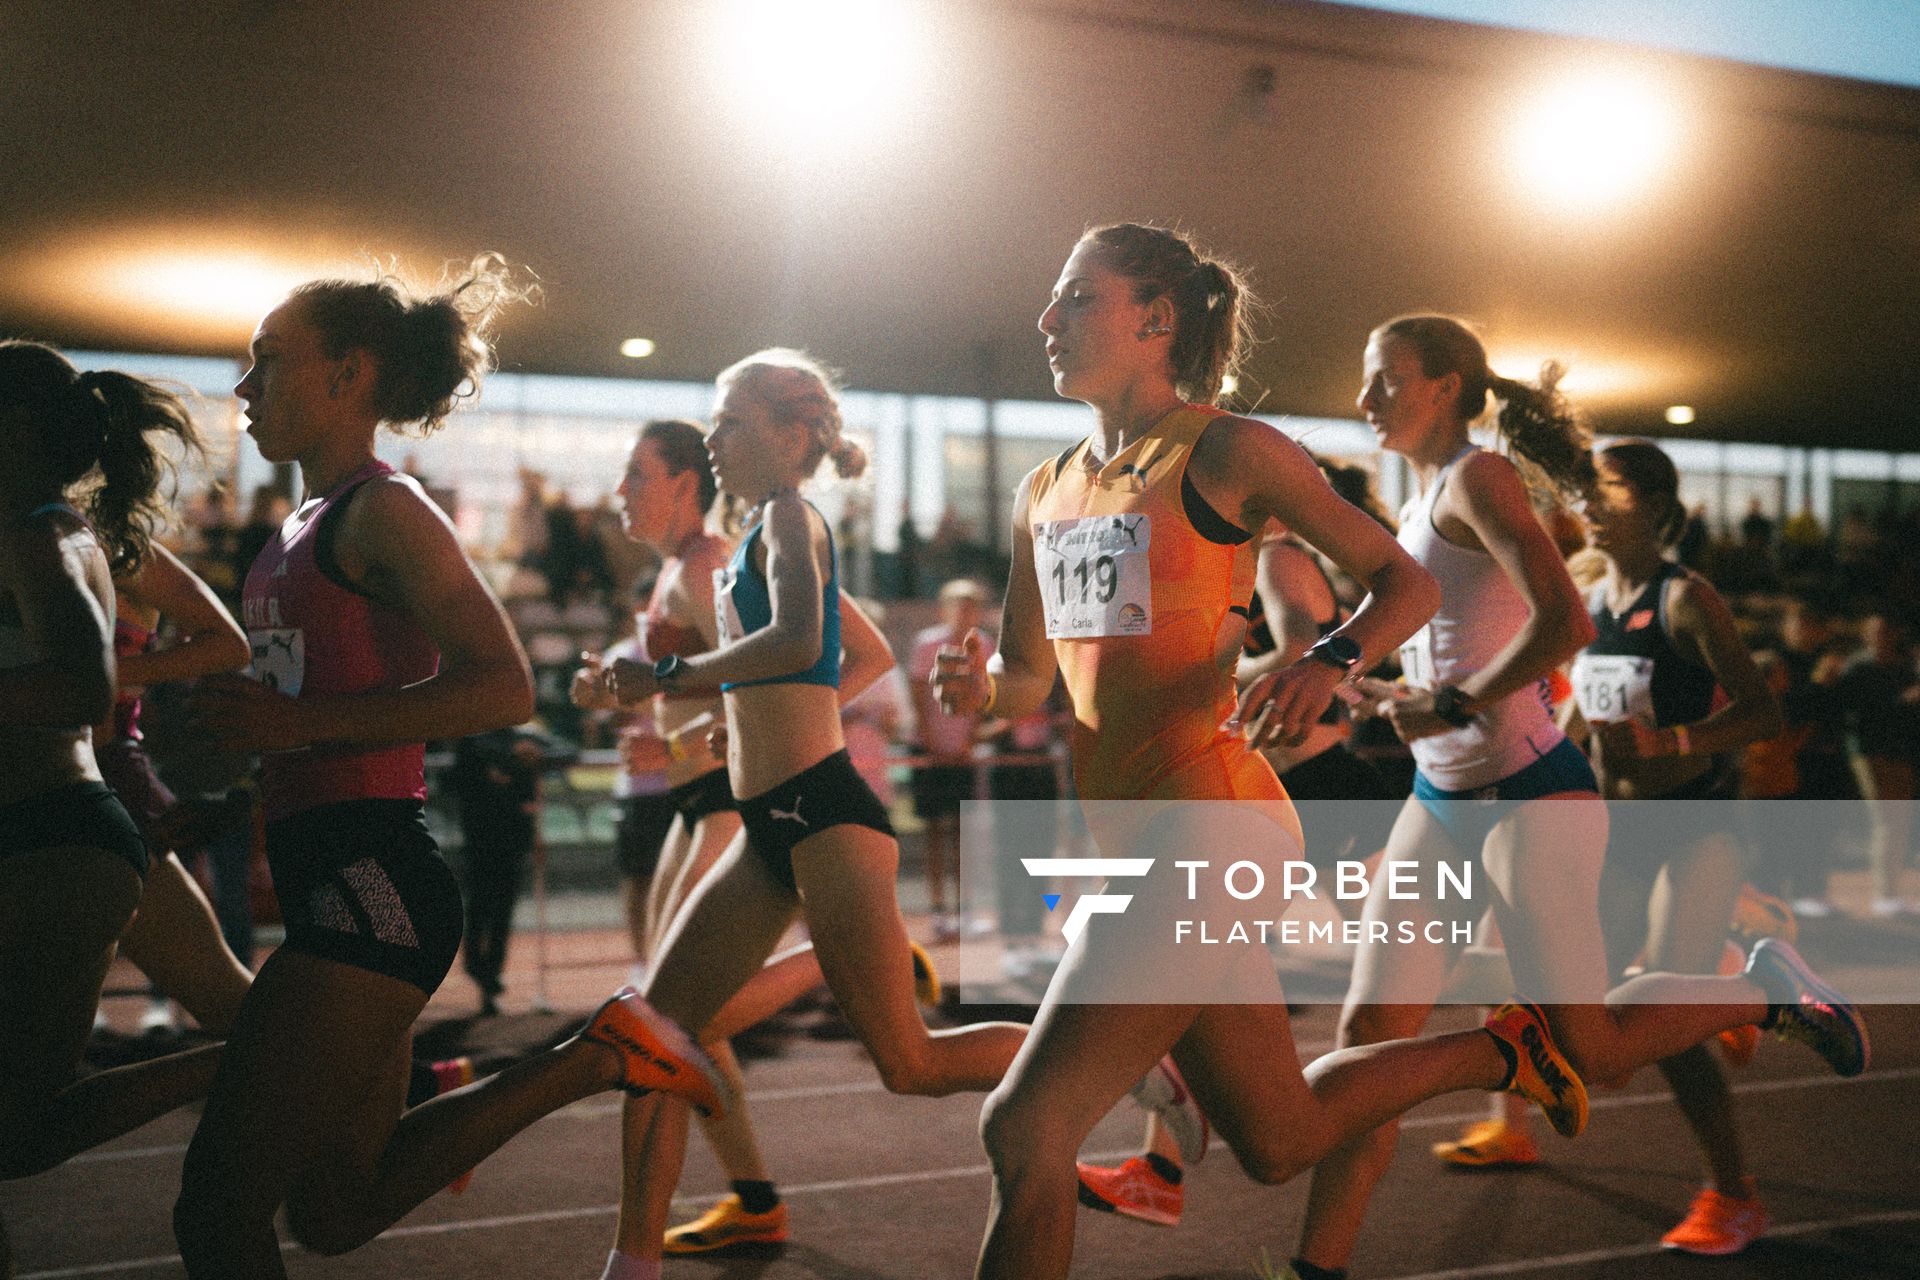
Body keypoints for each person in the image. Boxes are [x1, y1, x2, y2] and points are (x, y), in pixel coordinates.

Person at [935, 224, 1611, 1280]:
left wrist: (1329, 661)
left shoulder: (1226, 450)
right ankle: (1506, 1047)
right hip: (1129, 837)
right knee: (1279, 1137)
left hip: (1212, 825)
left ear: (1156, 319)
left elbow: (1408, 583)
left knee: (1024, 1130)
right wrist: (982, 690)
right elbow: (1030, 675)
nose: (1047, 319)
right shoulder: (1044, 489)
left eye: (1074, 296)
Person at [171, 259, 726, 1278]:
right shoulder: (291, 530)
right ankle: (602, 1048)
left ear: (349, 375)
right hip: (327, 877)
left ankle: (606, 1044)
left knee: (214, 1210)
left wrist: (296, 725)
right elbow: (299, 716)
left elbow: (506, 686)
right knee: (338, 1206)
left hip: (370, 885)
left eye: (268, 360)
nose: (245, 386)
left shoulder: (385, 513)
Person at [1289, 316, 1867, 1280]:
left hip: (1530, 794)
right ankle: (1318, 1268)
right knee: (1366, 1038)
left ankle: (1769, 989)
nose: (1366, 401)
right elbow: (1456, 644)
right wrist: (1381, 691)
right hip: (1441, 796)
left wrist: (1450, 700)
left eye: (1385, 379)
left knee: (1593, 1052)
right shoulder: (1419, 496)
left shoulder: (1480, 477)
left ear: (1445, 385)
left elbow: (1563, 620)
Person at [594, 349, 1029, 1280]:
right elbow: (777, 666)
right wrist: (702, 729)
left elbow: (798, 643)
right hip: (762, 826)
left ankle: (1112, 1062)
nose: (714, 437)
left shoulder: (792, 518)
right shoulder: (747, 533)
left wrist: (672, 677)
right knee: (655, 1038)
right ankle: (631, 1264)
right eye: (713, 420)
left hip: (828, 816)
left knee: (909, 1064)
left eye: (732, 422)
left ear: (791, 438)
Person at [1441, 439, 1788, 1253]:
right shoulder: (1587, 593)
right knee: (1568, 999)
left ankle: (1734, 1192)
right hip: (1616, 833)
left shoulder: (1688, 601)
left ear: (1658, 506)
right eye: (1587, 490)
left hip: (1694, 831)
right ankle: (1512, 1124)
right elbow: (1573, 709)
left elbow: (1764, 713)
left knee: (1658, 1006)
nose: (1591, 502)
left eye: (1614, 489)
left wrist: (1667, 743)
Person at [0, 343, 231, 1278]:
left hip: (54, 839)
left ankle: (254, 1058)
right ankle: (257, 1048)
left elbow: (80, 683)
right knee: (12, 1129)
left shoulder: (42, 532)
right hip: (46, 838)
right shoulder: (28, 528)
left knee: (19, 1133)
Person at [98, 540, 255, 1037]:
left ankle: (375, 1080)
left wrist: (106, 676)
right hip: (53, 782)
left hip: (110, 784)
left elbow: (229, 643)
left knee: (228, 995)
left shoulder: (117, 542)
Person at [909, 578, 993, 941]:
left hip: (962, 755)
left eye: (971, 605)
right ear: (944, 608)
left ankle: (964, 910)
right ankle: (938, 910)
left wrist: (968, 741)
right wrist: (930, 741)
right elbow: (917, 691)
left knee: (963, 835)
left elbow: (984, 697)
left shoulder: (985, 645)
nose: (965, 612)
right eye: (958, 605)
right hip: (929, 752)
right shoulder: (926, 643)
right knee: (934, 834)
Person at [1834, 613, 1920, 915]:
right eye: (1874, 631)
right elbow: (1855, 711)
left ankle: (1892, 892)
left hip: (1901, 753)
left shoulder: (1904, 665)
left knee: (1901, 823)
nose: (1881, 636)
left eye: (1885, 630)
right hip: (1871, 753)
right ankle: (1885, 895)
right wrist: (1902, 701)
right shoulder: (1859, 668)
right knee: (1886, 822)